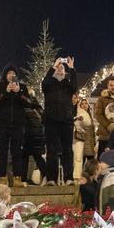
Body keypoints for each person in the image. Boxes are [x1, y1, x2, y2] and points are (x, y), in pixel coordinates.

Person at [0, 67, 31, 186]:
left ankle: (18, 178)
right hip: (2, 124)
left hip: (17, 125)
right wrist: (5, 92)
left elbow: (28, 102)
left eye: (13, 73)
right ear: (5, 75)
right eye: (9, 73)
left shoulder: (22, 87)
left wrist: (19, 92)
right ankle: (2, 178)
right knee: (2, 152)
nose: (11, 75)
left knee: (17, 152)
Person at [40, 57, 77, 185]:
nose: (61, 69)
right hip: (51, 120)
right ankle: (51, 178)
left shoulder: (68, 84)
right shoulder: (49, 84)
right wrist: (53, 67)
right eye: (59, 68)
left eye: (63, 68)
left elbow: (75, 86)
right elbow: (44, 84)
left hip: (66, 120)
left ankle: (69, 178)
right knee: (51, 150)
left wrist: (71, 68)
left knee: (67, 150)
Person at [22, 91, 50, 185]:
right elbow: (43, 117)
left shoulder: (23, 105)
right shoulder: (37, 105)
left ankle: (24, 179)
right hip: (39, 134)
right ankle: (46, 175)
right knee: (37, 156)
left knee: (24, 156)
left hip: (28, 134)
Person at [72, 91, 95, 183]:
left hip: (83, 139)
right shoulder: (68, 109)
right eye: (83, 103)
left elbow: (89, 124)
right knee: (73, 158)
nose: (73, 100)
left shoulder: (84, 113)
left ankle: (79, 178)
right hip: (72, 137)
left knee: (80, 158)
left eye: (75, 98)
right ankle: (71, 177)